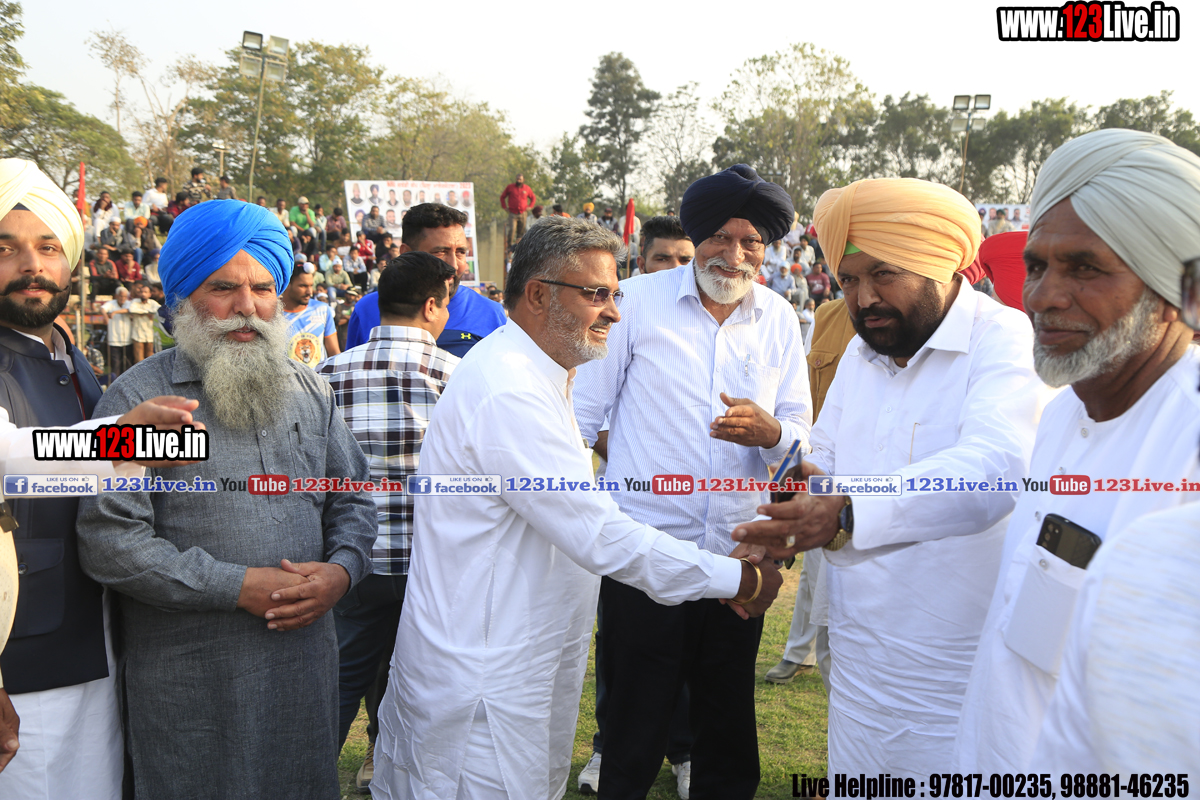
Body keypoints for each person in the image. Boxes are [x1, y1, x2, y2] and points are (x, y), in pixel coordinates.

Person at [370, 218, 782, 800]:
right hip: (484, 679)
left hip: (516, 664)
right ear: (538, 295)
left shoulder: (539, 373)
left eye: (615, 295)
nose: (614, 312)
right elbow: (597, 534)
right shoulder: (510, 388)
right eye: (596, 294)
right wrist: (738, 578)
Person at [732, 176, 1044, 778]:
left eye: (884, 274)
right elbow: (823, 455)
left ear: (940, 264)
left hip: (956, 674)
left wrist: (849, 510)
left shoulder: (1003, 339)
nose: (864, 297)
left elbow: (996, 466)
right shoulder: (863, 351)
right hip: (858, 664)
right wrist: (782, 527)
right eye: (849, 279)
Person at [75, 199, 378, 800]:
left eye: (263, 288)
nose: (247, 306)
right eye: (223, 288)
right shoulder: (138, 399)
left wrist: (342, 572)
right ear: (184, 298)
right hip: (191, 682)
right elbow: (110, 542)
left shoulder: (310, 390)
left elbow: (353, 500)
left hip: (303, 669)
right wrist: (239, 586)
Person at [954, 128, 1200, 772]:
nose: (1042, 296)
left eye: (1085, 268)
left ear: (1171, 291)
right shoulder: (1063, 411)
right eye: (1037, 266)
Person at [571, 165, 807, 800]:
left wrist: (772, 435)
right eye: (721, 237)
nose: (734, 254)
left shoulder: (779, 318)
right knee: (632, 724)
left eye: (751, 241)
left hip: (737, 555)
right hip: (644, 553)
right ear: (697, 236)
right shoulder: (633, 303)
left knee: (725, 725)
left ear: (768, 248)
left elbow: (802, 439)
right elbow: (580, 421)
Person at [0, 158, 202, 797]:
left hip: (95, 642)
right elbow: (10, 456)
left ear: (71, 261)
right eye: (5, 249)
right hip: (17, 660)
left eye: (48, 247)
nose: (30, 266)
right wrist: (129, 437)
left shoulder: (64, 352)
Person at [316, 253, 460, 793]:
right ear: (432, 305)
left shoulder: (327, 374)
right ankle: (401, 780)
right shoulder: (457, 376)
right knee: (423, 690)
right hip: (432, 566)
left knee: (336, 687)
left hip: (350, 564)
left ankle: (305, 778)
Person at [345, 204, 506, 357]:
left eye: (461, 252)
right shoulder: (366, 310)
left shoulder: (491, 313)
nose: (454, 265)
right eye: (440, 252)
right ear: (406, 253)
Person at [282, 263, 340, 367]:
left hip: (318, 376)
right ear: (287, 285)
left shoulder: (322, 310)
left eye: (311, 286)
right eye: (303, 286)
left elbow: (334, 352)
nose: (310, 292)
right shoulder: (272, 314)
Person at [102, 286, 133, 377]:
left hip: (127, 339)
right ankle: (115, 381)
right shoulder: (111, 303)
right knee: (115, 364)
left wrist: (114, 312)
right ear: (116, 296)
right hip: (114, 339)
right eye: (120, 296)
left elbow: (129, 310)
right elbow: (102, 308)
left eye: (124, 296)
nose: (122, 298)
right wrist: (105, 316)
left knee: (127, 364)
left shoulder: (129, 303)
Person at [500, 173, 536, 249]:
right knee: (512, 229)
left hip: (523, 213)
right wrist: (505, 207)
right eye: (517, 179)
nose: (518, 181)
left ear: (523, 180)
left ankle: (519, 247)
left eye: (520, 179)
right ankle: (509, 247)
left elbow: (533, 198)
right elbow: (502, 197)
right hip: (513, 213)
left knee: (521, 231)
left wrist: (530, 206)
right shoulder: (510, 187)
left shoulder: (527, 188)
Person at [127, 281, 159, 363]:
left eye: (145, 292)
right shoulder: (135, 301)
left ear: (150, 294)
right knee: (139, 360)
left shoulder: (153, 303)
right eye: (141, 292)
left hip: (150, 334)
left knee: (150, 358)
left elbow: (158, 310)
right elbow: (132, 309)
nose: (143, 294)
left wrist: (142, 312)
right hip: (138, 333)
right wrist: (147, 312)